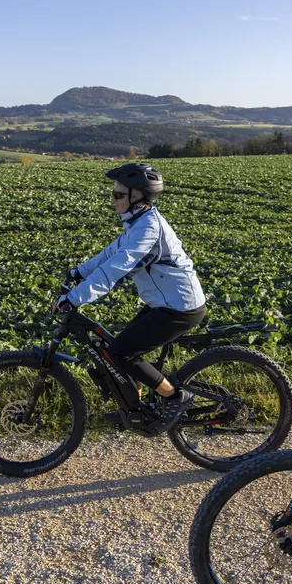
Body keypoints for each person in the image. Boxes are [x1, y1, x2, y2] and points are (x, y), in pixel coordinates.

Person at [53, 163, 207, 434]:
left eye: (118, 195)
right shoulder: (138, 224)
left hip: (179, 308)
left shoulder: (147, 229)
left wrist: (75, 298)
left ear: (137, 197)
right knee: (114, 348)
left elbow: (117, 268)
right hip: (165, 303)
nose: (113, 201)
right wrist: (78, 272)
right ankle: (133, 407)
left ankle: (174, 397)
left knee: (121, 352)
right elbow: (110, 253)